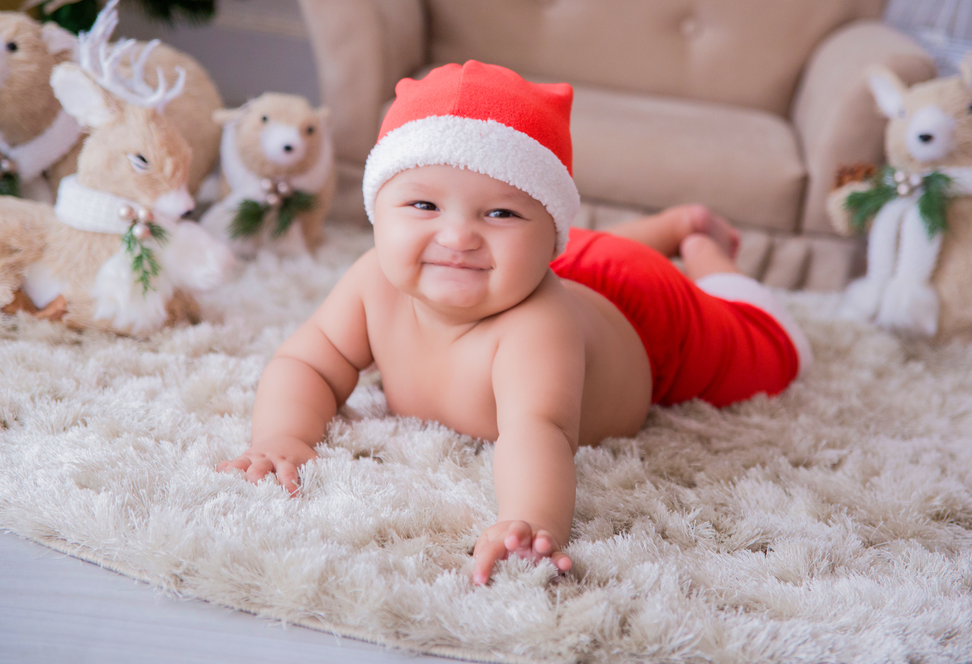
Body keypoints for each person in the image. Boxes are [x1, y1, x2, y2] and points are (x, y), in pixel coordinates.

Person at [217, 61, 812, 585]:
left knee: (772, 352)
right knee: (581, 253)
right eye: (423, 205)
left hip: (651, 316)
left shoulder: (535, 326)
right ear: (377, 212)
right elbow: (307, 361)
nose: (456, 237)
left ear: (544, 233)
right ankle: (665, 226)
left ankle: (701, 247)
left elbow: (538, 431)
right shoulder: (374, 280)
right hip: (570, 262)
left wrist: (527, 522)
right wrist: (282, 437)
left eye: (500, 211)